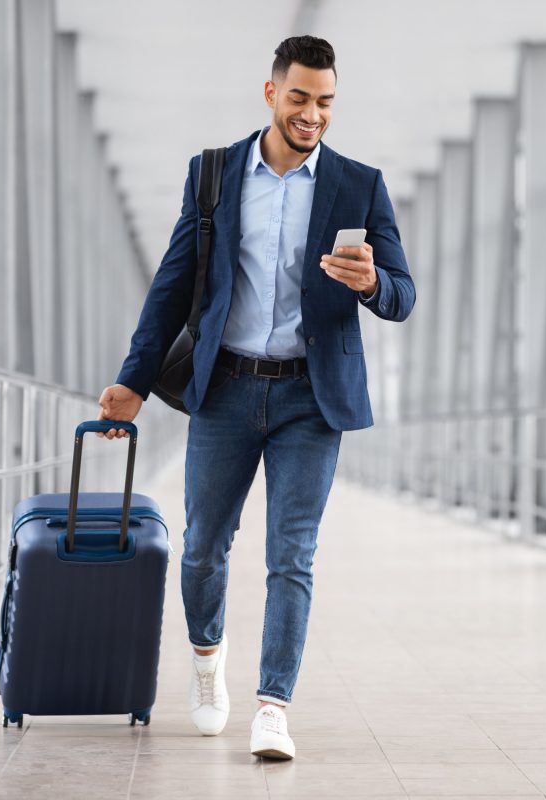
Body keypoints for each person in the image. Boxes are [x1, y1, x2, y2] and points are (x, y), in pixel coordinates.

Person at [95, 35, 415, 760]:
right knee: (205, 547)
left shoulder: (360, 185)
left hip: (311, 398)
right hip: (226, 392)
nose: (313, 115)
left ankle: (274, 705)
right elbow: (173, 285)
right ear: (271, 93)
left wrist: (371, 285)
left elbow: (403, 294)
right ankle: (207, 663)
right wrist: (133, 381)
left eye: (326, 102)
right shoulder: (213, 175)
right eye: (300, 97)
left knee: (291, 555)